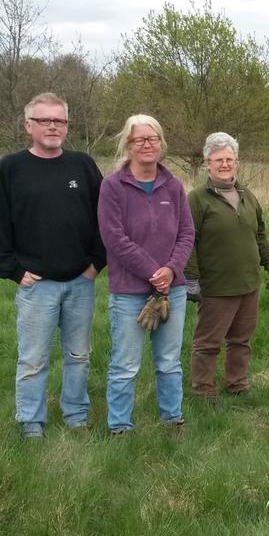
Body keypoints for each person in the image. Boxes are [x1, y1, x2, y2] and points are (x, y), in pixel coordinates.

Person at [0, 92, 106, 438]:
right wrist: (13, 270)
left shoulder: (83, 165)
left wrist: (97, 263)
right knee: (33, 359)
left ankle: (76, 415)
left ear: (67, 125)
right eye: (44, 120)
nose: (53, 126)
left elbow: (106, 218)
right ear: (28, 125)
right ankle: (30, 421)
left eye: (60, 120)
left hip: (81, 281)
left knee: (79, 355)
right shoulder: (11, 168)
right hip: (36, 285)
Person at [98, 115, 194, 435]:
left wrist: (170, 270)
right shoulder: (113, 187)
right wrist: (153, 271)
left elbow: (186, 233)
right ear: (128, 145)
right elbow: (114, 237)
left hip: (172, 290)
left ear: (161, 143)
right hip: (129, 291)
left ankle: (172, 421)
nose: (147, 145)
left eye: (153, 139)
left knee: (169, 362)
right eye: (140, 140)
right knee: (125, 365)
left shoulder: (174, 186)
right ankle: (120, 427)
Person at [185, 132, 269, 398]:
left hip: (249, 284)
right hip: (216, 286)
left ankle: (237, 384)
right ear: (208, 164)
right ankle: (203, 391)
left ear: (236, 162)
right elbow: (187, 240)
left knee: (241, 340)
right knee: (208, 343)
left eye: (229, 159)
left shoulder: (248, 196)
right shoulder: (197, 199)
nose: (225, 164)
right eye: (218, 160)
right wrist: (191, 279)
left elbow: (259, 234)